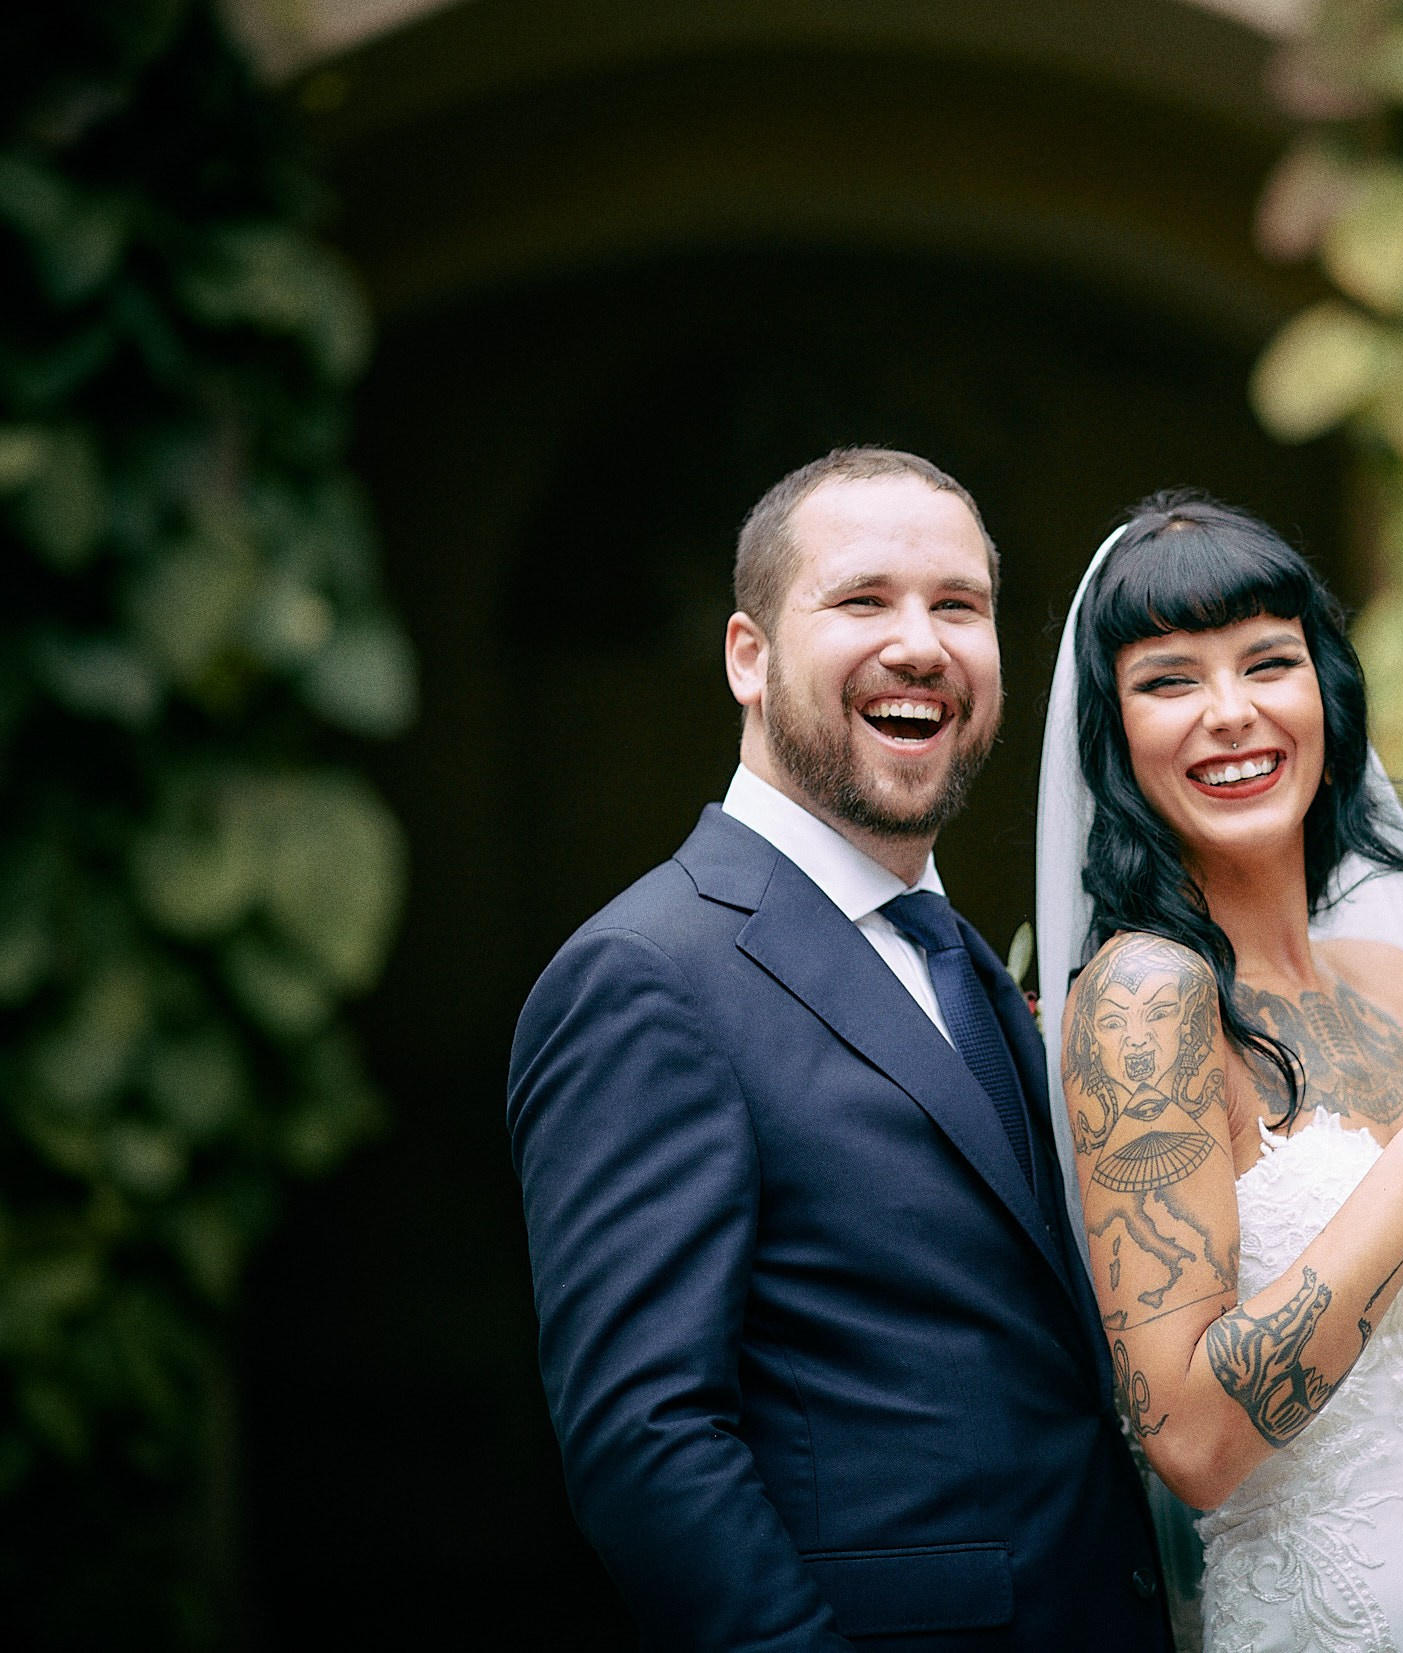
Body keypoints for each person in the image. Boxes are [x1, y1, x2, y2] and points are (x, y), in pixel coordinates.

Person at [507, 449, 1172, 1652]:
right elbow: (647, 1443)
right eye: (862, 600)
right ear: (746, 658)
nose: (919, 644)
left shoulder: (963, 959)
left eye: (957, 606)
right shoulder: (646, 978)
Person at [1035, 492, 1403, 1653]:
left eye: (1268, 662)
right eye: (1168, 680)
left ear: (1324, 693)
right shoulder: (1147, 1003)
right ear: (1114, 736)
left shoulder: (1396, 987)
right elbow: (1194, 1446)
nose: (1230, 713)